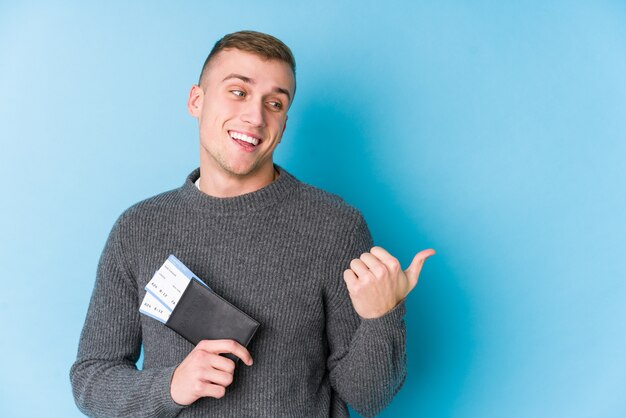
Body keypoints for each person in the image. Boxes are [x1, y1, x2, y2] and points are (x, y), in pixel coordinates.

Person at [70, 30, 435, 417]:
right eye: (238, 92)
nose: (255, 117)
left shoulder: (335, 225)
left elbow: (369, 398)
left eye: (275, 103)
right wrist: (172, 385)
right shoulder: (138, 228)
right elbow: (92, 378)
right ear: (197, 100)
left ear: (284, 121)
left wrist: (382, 316)